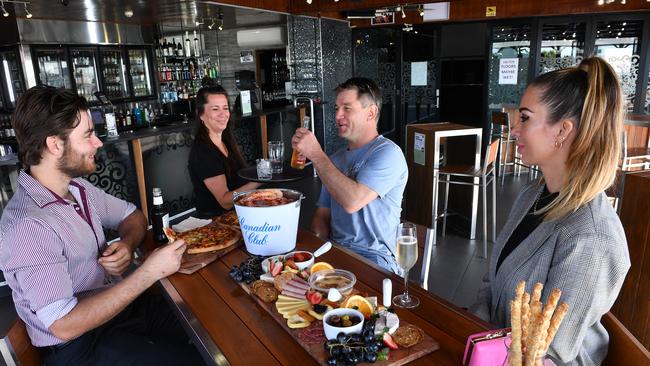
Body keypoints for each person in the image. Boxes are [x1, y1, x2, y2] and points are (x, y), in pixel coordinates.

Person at [0, 86, 204, 366]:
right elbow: (64, 324)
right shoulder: (28, 225)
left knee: (208, 324)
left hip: (118, 313)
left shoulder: (79, 189)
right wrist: (149, 272)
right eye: (88, 135)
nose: (98, 143)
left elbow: (132, 217)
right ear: (55, 145)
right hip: (80, 345)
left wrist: (127, 245)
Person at [470, 57, 630, 365]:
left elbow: (549, 355)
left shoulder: (590, 236)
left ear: (562, 131)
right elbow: (491, 281)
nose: (514, 128)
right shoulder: (532, 194)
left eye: (526, 118)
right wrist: (477, 336)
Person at [291, 77, 408, 274]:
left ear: (371, 112)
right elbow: (322, 214)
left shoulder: (388, 153)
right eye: (336, 108)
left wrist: (317, 155)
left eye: (347, 108)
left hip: (376, 260)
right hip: (335, 253)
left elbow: (353, 201)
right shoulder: (335, 160)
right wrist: (314, 252)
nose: (338, 115)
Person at [188, 85, 261, 219]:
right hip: (216, 224)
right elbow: (225, 201)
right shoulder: (204, 152)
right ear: (201, 115)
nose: (223, 114)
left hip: (238, 214)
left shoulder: (226, 140)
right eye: (215, 109)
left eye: (225, 108)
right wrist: (259, 179)